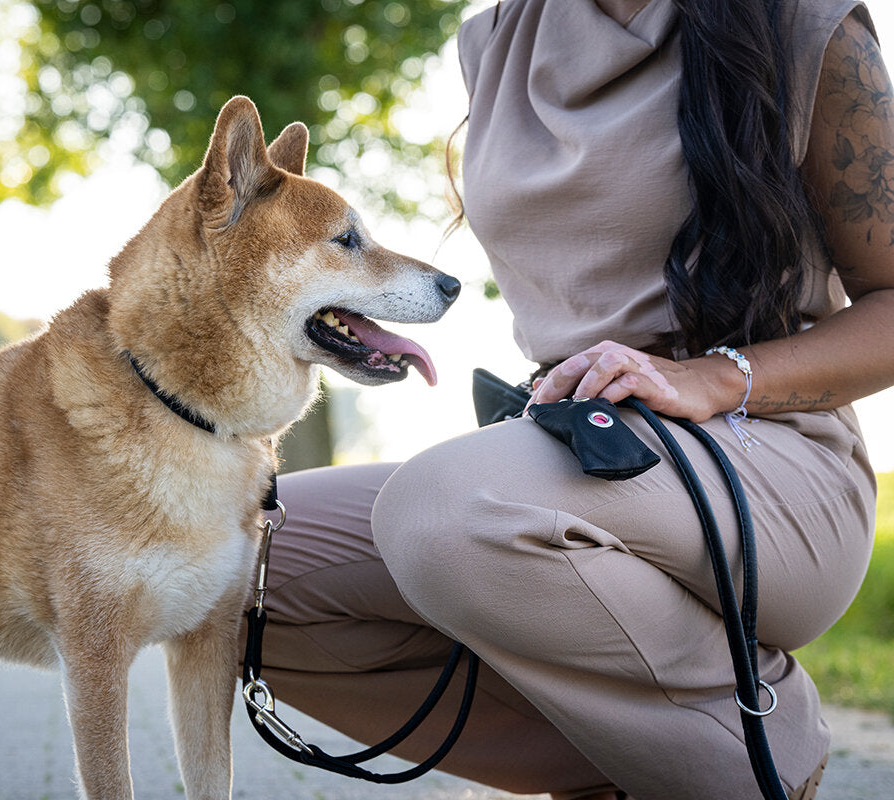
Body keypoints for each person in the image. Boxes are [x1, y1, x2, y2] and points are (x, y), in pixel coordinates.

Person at [242, 1, 894, 798]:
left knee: (441, 510)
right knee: (223, 559)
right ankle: (632, 766)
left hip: (768, 453)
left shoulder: (803, 25)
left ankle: (753, 751)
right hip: (582, 445)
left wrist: (713, 375)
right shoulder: (493, 42)